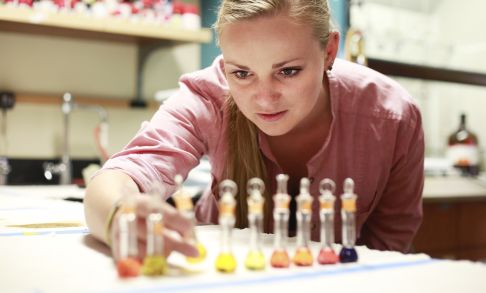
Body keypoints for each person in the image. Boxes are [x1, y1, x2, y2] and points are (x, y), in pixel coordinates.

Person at [84, 0, 424, 260]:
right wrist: (120, 216)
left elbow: (388, 245)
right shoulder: (208, 96)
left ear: (329, 51)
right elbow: (119, 177)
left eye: (288, 71)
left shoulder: (392, 118)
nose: (264, 98)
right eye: (242, 73)